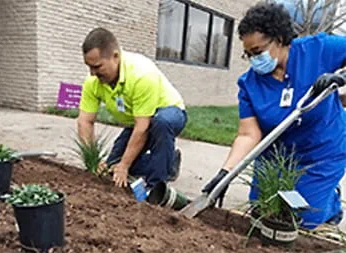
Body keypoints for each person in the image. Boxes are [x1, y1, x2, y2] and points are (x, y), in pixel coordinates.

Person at [202, 2, 346, 229]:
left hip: (321, 153)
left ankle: (331, 203)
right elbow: (248, 134)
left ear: (279, 39)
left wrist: (340, 81)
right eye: (247, 54)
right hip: (275, 156)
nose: (253, 60)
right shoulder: (249, 84)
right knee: (263, 213)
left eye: (258, 51)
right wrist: (225, 173)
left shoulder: (317, 49)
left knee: (301, 220)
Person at [77, 27, 187, 189]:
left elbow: (143, 127)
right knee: (112, 166)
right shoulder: (92, 81)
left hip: (170, 113)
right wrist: (92, 158)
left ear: (115, 56)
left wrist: (125, 165)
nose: (92, 73)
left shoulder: (141, 74)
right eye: (89, 67)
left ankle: (156, 187)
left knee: (160, 123)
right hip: (138, 121)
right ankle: (168, 163)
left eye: (97, 66)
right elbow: (85, 121)